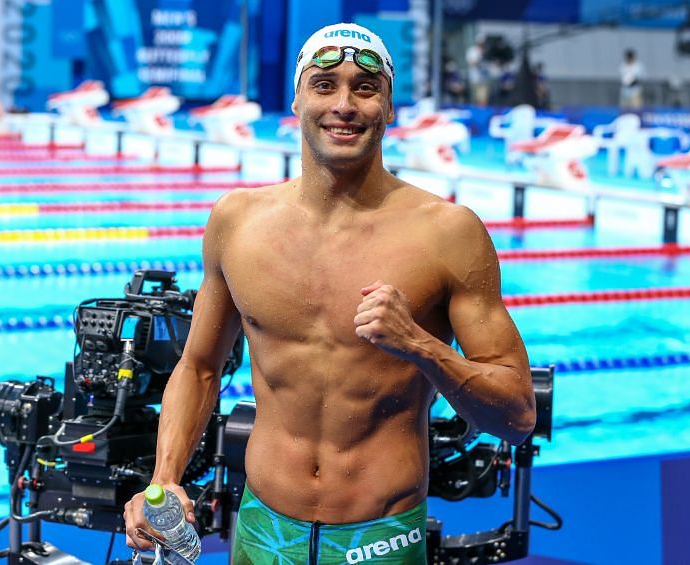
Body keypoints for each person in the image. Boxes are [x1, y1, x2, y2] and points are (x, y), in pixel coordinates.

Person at [124, 22, 536, 564]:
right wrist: (165, 480)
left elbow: (517, 417)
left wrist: (419, 344)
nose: (344, 104)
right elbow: (199, 367)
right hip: (263, 529)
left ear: (389, 106)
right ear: (296, 99)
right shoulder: (237, 222)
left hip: (379, 539)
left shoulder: (447, 233)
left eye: (365, 89)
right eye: (324, 85)